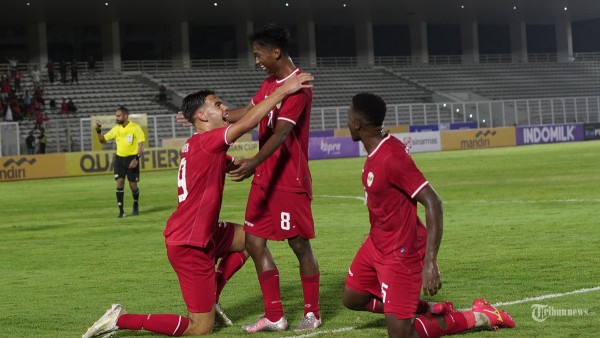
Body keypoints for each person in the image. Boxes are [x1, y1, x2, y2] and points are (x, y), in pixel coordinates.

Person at [82, 73, 314, 338]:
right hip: (190, 245)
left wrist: (244, 164)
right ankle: (120, 319)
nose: (225, 108)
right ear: (202, 116)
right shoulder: (209, 141)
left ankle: (218, 295)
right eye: (217, 105)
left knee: (254, 238)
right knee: (200, 328)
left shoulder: (195, 144)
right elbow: (250, 120)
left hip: (205, 231)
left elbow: (215, 166)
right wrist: (284, 91)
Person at [341, 93, 515, 338]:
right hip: (376, 244)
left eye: (349, 115)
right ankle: (431, 309)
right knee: (352, 297)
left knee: (403, 335)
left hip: (400, 253)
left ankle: (481, 316)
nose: (346, 120)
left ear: (358, 123)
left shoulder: (391, 157)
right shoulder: (378, 150)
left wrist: (430, 262)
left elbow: (433, 202)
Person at [224, 23, 321, 333]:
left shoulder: (299, 85)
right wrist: (217, 115)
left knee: (298, 245)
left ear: (275, 52)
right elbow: (249, 114)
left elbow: (281, 133)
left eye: (259, 54)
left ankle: (312, 312)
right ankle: (275, 316)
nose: (257, 60)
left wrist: (253, 161)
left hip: (289, 179)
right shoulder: (270, 85)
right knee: (254, 242)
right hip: (265, 177)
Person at [95, 106, 145, 218]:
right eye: (116, 115)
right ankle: (121, 211)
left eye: (118, 115)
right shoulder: (116, 129)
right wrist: (98, 131)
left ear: (125, 116)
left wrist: (136, 159)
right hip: (119, 159)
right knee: (120, 183)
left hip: (132, 158)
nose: (116, 117)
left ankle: (135, 202)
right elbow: (102, 140)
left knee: (133, 186)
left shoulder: (135, 127)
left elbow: (141, 145)